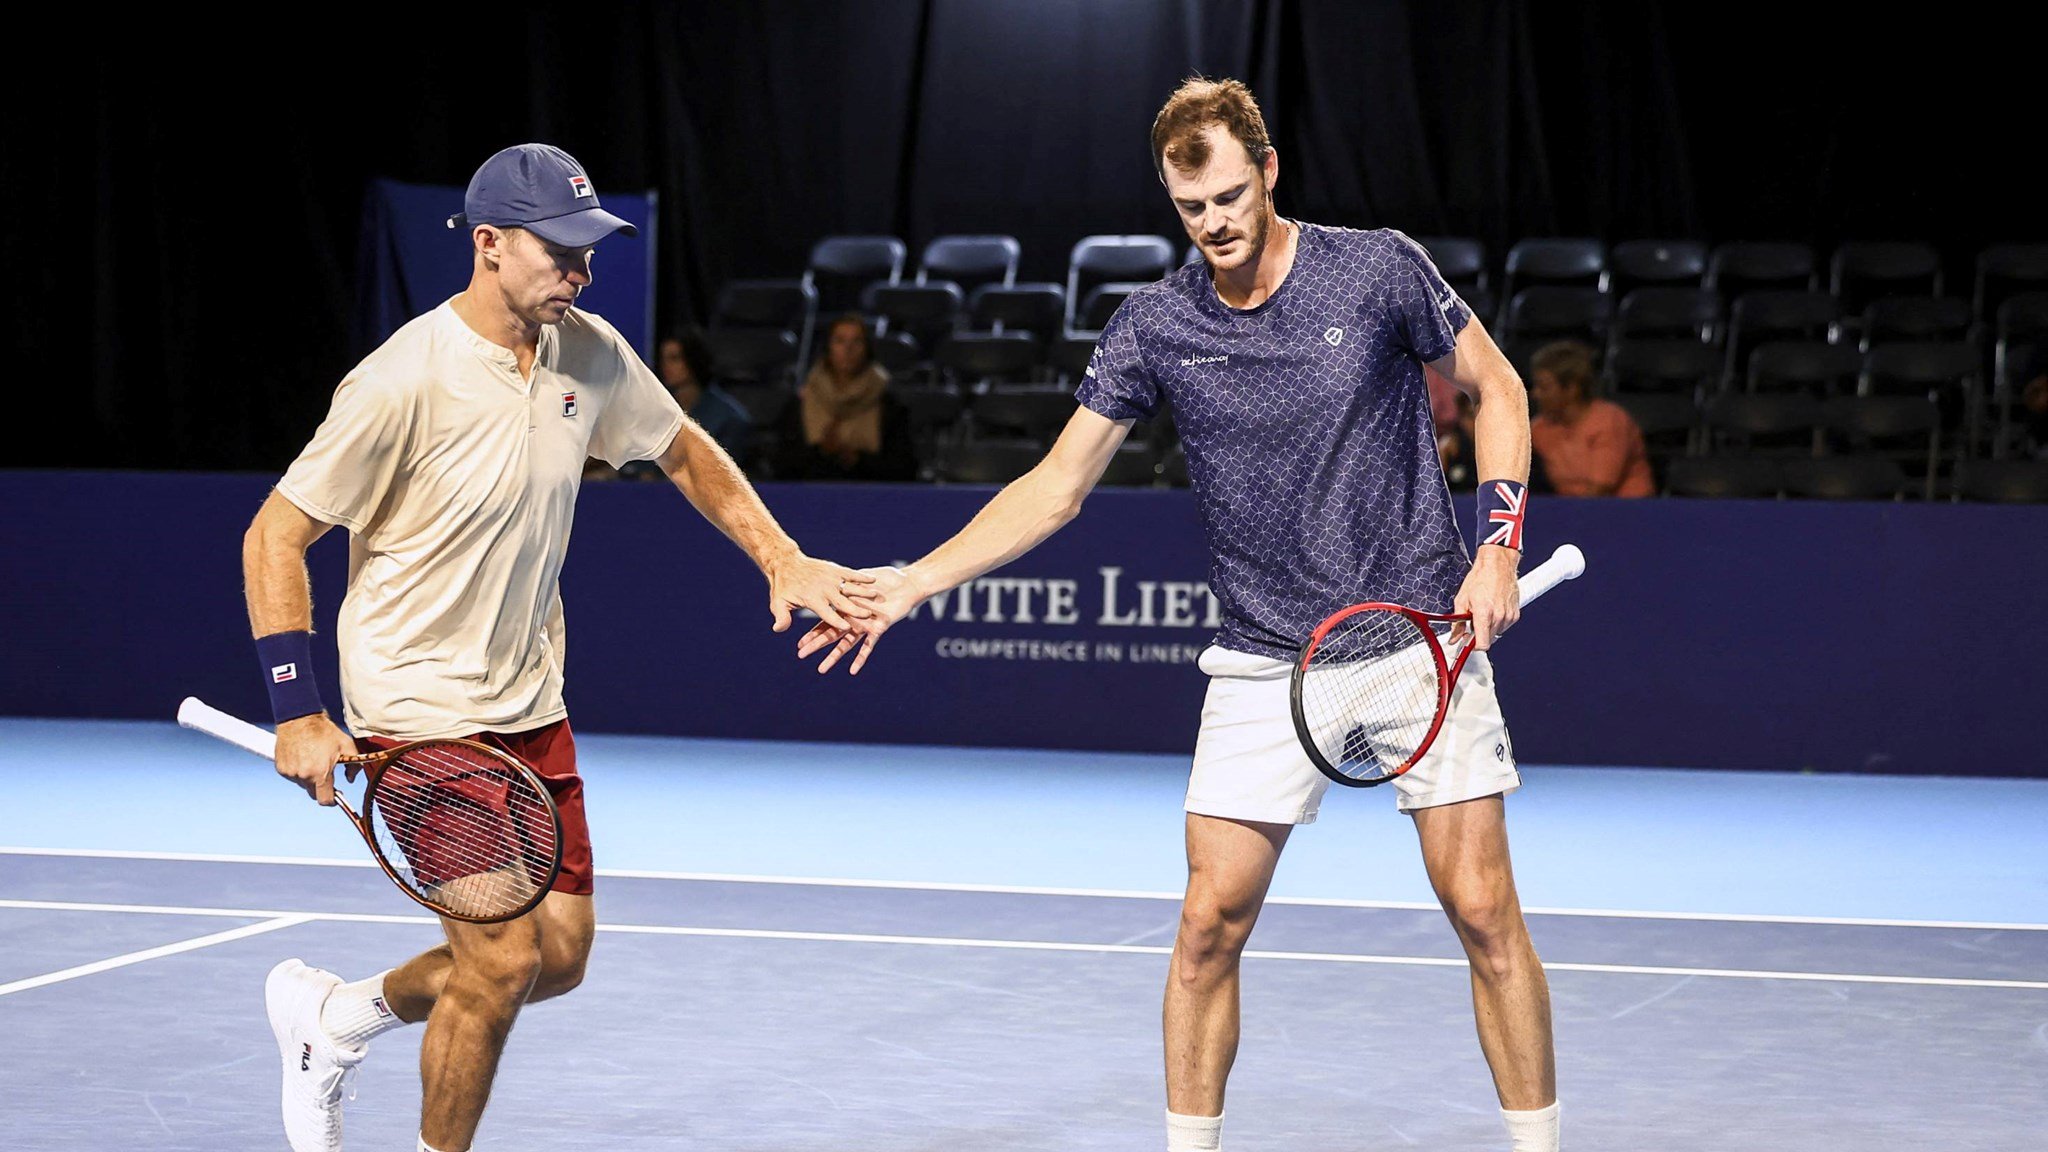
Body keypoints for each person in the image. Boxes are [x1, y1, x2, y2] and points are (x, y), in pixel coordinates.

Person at [800, 79, 1561, 1152]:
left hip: (1416, 638)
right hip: (1262, 660)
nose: (1213, 223)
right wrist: (919, 579)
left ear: (1269, 172)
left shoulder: (1377, 266)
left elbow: (1496, 386)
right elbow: (1055, 487)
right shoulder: (1153, 323)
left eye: (1229, 196)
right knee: (1206, 927)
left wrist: (1494, 547)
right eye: (1190, 206)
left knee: (1482, 911)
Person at [241, 143, 873, 1152]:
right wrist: (298, 709)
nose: (580, 271)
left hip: (530, 702)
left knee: (558, 957)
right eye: (559, 251)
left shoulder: (587, 350)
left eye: (589, 250)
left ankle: (332, 1021)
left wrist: (780, 557)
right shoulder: (401, 380)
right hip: (421, 710)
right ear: (488, 245)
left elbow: (682, 448)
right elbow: (275, 533)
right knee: (495, 969)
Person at [770, 313, 917, 481]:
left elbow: (904, 468)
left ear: (867, 348)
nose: (848, 349)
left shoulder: (889, 404)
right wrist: (822, 452)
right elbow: (781, 466)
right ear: (828, 347)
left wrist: (857, 459)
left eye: (857, 341)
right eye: (840, 341)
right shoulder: (800, 403)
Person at [1527, 340, 1654, 497]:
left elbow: (1600, 489)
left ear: (1572, 389)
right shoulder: (1540, 428)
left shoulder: (1609, 421)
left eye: (1544, 387)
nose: (1535, 394)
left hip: (1626, 511)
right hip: (1570, 509)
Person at [657, 326, 753, 466]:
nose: (665, 366)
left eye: (675, 358)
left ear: (693, 359)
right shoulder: (658, 410)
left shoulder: (729, 419)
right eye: (663, 359)